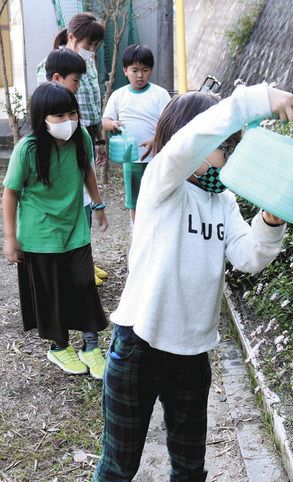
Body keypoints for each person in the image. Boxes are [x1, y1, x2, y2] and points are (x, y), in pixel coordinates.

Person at [91, 83, 293, 482]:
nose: (228, 155)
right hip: (140, 345)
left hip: (192, 355)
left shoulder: (221, 200)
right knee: (118, 469)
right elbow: (190, 141)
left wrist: (272, 219)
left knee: (190, 468)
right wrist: (253, 100)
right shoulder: (162, 183)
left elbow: (248, 256)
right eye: (223, 144)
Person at [2, 82, 109, 379]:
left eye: (71, 113)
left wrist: (98, 206)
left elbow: (87, 168)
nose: (68, 121)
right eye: (59, 116)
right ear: (42, 118)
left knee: (84, 283)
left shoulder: (81, 137)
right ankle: (59, 346)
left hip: (74, 227)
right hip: (39, 234)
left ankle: (91, 347)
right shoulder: (28, 148)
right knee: (51, 291)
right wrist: (10, 239)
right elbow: (10, 193)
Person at [36, 12, 109, 285]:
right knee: (73, 199)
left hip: (85, 134)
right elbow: (47, 107)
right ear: (72, 37)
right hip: (63, 136)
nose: (91, 51)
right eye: (88, 44)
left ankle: (85, 260)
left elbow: (93, 105)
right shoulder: (51, 65)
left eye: (95, 47)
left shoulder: (84, 67)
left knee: (86, 201)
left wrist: (99, 139)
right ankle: (76, 264)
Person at [102, 44, 171, 223]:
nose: (140, 75)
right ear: (125, 71)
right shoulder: (118, 95)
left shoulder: (160, 94)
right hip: (131, 159)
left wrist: (155, 140)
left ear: (151, 70)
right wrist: (113, 124)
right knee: (134, 202)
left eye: (145, 70)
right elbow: (106, 121)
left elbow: (169, 123)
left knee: (158, 199)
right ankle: (136, 234)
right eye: (135, 70)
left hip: (156, 158)